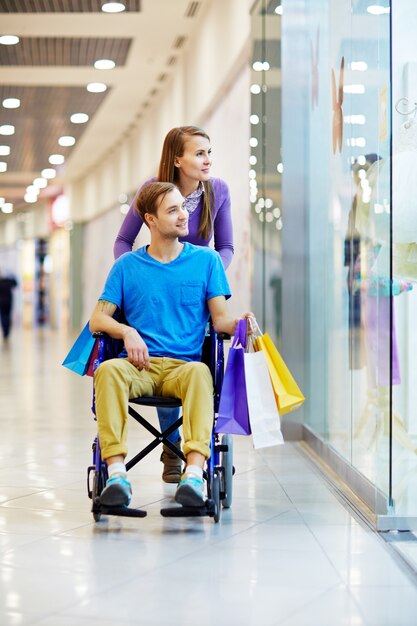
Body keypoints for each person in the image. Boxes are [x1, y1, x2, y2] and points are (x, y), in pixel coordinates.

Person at [90, 182, 251, 508]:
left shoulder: (206, 261)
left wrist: (241, 324)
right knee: (107, 371)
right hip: (138, 366)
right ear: (150, 219)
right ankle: (118, 474)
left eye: (184, 206)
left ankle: (192, 476)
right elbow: (98, 320)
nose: (184, 214)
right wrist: (126, 331)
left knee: (199, 374)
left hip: (182, 367)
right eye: (173, 210)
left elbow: (220, 321)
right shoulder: (127, 267)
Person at [113, 125, 234, 484]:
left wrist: (204, 275)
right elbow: (123, 240)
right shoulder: (153, 190)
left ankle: (186, 447)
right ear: (177, 159)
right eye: (199, 153)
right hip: (154, 286)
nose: (207, 160)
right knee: (156, 346)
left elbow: (225, 247)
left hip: (195, 288)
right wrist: (135, 274)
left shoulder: (219, 191)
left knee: (190, 357)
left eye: (209, 152)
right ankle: (171, 444)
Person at [0, 271, 17, 342]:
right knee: (8, 316)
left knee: (3, 317)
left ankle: (5, 332)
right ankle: (7, 332)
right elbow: (15, 284)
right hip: (8, 302)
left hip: (2, 302)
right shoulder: (9, 281)